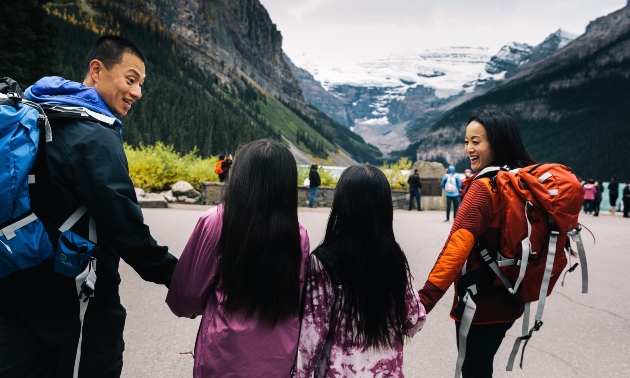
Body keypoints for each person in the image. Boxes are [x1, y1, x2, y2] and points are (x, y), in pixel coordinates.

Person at [0, 35, 177, 377]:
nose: (137, 92)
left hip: (13, 283)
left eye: (141, 84)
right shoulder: (95, 136)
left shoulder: (36, 116)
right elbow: (124, 225)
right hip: (75, 298)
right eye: (131, 79)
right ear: (97, 70)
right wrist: (177, 276)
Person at [166, 139, 310, 377]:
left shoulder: (216, 221)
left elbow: (189, 292)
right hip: (279, 355)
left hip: (224, 353)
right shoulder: (297, 232)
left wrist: (187, 308)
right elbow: (299, 293)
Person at [419, 110, 537, 377]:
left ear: (497, 142)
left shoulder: (484, 187)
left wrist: (425, 300)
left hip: (480, 303)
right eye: (466, 141)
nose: (469, 148)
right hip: (510, 297)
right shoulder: (519, 181)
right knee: (481, 366)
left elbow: (456, 249)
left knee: (472, 370)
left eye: (476, 141)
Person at [292, 165, 426, 378]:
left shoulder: (324, 260)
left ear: (341, 203)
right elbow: (413, 319)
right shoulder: (394, 255)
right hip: (386, 370)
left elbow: (312, 336)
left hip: (340, 371)